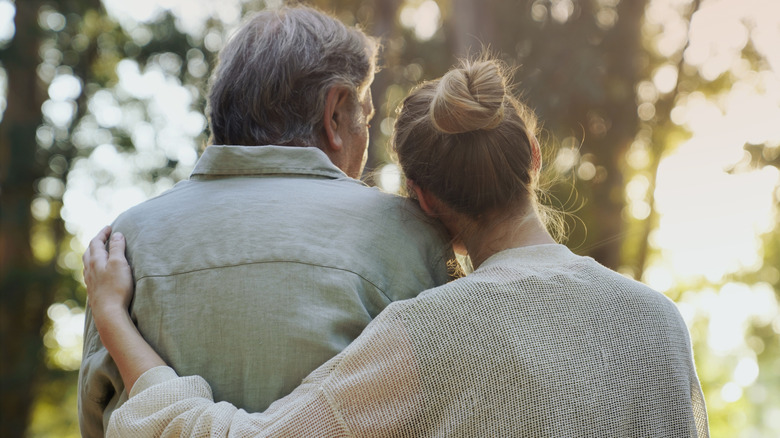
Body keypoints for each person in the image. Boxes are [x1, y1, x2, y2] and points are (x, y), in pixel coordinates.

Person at [84, 59, 710, 437]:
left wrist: (114, 315)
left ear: (423, 200)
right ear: (536, 158)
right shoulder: (657, 320)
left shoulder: (426, 335)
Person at [77, 6, 456, 438]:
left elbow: (97, 419)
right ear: (335, 113)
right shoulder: (411, 236)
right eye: (365, 118)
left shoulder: (122, 245)